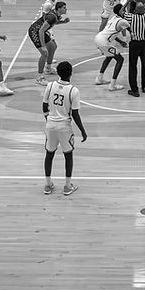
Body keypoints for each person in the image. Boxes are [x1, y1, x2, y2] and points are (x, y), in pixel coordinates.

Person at [41, 61, 87, 197]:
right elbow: (75, 114)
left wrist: (49, 119)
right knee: (68, 155)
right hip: (64, 127)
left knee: (49, 154)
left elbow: (44, 106)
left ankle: (48, 185)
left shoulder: (50, 86)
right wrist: (82, 130)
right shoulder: (73, 91)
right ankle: (67, 186)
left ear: (58, 73)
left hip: (50, 125)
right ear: (71, 73)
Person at [93, 3, 130, 91]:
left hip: (98, 38)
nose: (125, 12)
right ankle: (112, 85)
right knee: (120, 60)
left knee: (109, 56)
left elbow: (111, 33)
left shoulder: (113, 18)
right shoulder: (122, 21)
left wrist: (121, 42)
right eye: (124, 10)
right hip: (103, 42)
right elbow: (133, 30)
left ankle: (99, 78)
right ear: (121, 11)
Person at [30, 1, 67, 85]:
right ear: (59, 9)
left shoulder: (56, 15)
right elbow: (41, 30)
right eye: (64, 8)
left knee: (53, 47)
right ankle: (40, 77)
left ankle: (48, 68)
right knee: (44, 53)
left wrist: (63, 22)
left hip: (41, 31)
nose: (66, 9)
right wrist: (43, 46)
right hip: (35, 31)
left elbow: (53, 22)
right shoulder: (52, 17)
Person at [125, 0, 145, 97]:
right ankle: (144, 87)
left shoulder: (131, 17)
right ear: (144, 10)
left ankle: (134, 90)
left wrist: (129, 0)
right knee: (144, 65)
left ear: (135, 10)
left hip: (135, 44)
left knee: (133, 66)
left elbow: (120, 12)